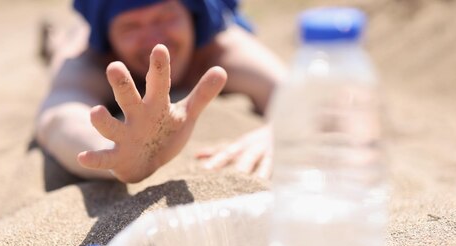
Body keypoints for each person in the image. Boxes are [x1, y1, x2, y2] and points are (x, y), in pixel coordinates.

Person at [36, 0, 286, 183]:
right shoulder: (91, 59)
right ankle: (56, 39)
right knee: (66, 46)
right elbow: (58, 115)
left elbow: (295, 93)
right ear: (108, 37)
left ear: (192, 16)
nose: (154, 40)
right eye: (131, 26)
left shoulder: (221, 47)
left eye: (165, 17)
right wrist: (115, 155)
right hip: (80, 38)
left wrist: (283, 132)